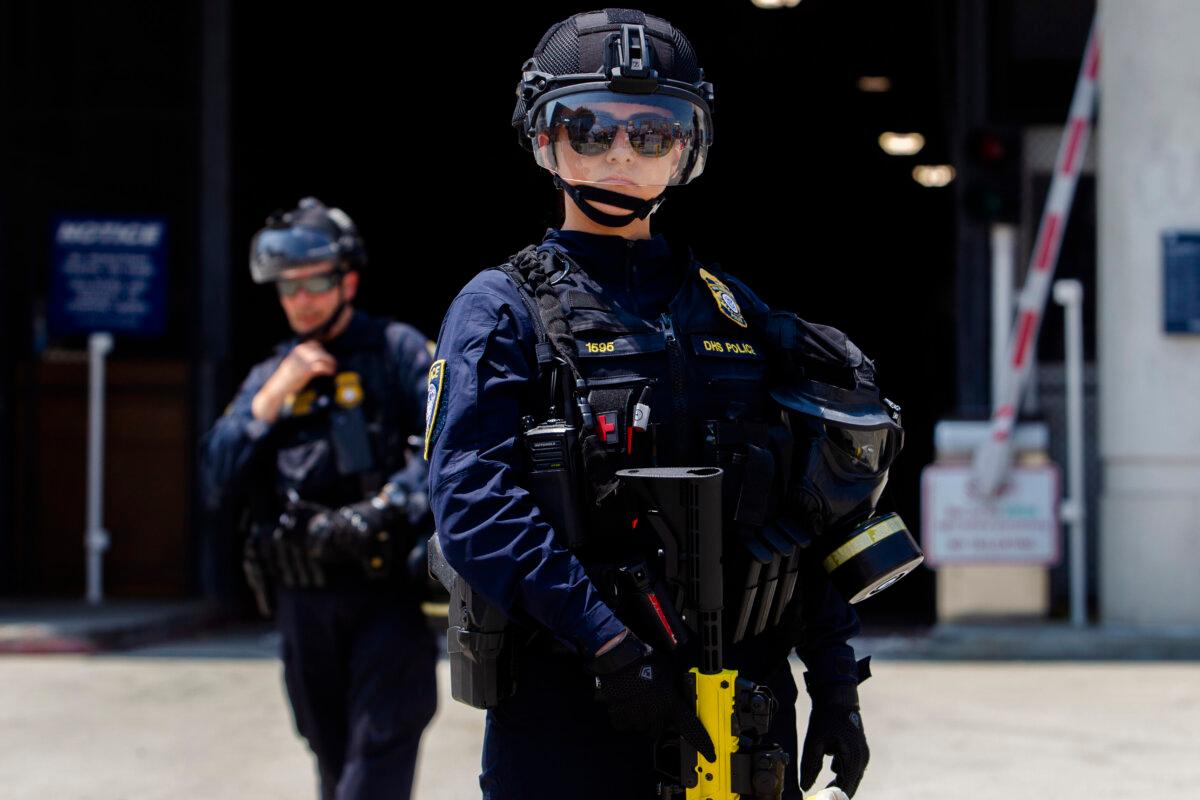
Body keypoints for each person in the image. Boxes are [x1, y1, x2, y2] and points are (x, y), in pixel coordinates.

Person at [427, 10, 896, 799]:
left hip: (742, 702)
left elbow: (809, 509)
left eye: (651, 133)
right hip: (573, 702)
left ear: (688, 148)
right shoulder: (501, 308)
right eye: (589, 129)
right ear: (544, 141)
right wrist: (609, 645)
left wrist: (835, 680)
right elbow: (471, 503)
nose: (620, 154)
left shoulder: (735, 313)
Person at [201, 197, 437, 800]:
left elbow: (449, 448)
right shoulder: (275, 371)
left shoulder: (398, 350)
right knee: (329, 758)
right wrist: (273, 396)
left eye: (315, 284)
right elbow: (216, 472)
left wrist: (383, 509)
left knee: (378, 753)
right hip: (302, 602)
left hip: (383, 594)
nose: (301, 300)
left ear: (347, 280)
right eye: (288, 289)